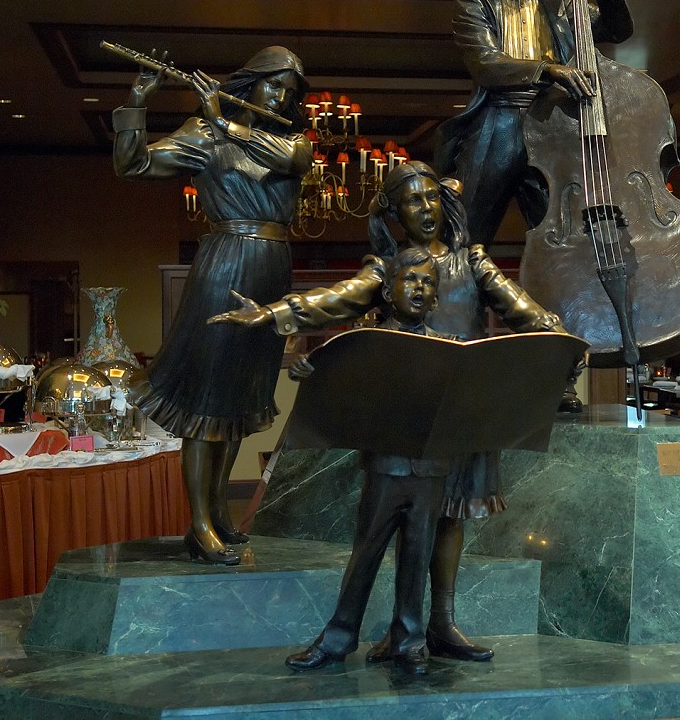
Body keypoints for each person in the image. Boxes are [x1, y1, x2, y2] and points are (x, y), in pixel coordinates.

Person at [211, 160, 562, 661]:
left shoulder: (472, 261)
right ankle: (404, 631)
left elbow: (521, 308)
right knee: (402, 521)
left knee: (451, 515)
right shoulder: (388, 268)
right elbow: (337, 299)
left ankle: (439, 625)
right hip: (407, 411)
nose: (425, 209)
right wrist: (275, 312)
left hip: (461, 406)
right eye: (413, 202)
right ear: (395, 213)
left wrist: (553, 333)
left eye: (431, 198)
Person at [112, 46, 311, 563]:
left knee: (240, 400)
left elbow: (290, 160)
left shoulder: (290, 141)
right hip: (226, 263)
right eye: (273, 86)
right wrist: (136, 101)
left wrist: (225, 121)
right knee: (208, 400)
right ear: (250, 84)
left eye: (289, 92)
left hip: (272, 267)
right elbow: (132, 165)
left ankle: (219, 512)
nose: (281, 97)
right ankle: (200, 524)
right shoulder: (203, 135)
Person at [282, 247, 454, 675]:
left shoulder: (450, 350)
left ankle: (409, 643)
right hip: (385, 468)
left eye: (428, 282)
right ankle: (338, 639)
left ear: (436, 298)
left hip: (431, 471)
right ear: (388, 290)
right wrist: (311, 371)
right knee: (365, 556)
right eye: (410, 279)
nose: (419, 288)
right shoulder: (363, 343)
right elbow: (338, 388)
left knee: (418, 558)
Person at [434, 0, 634, 248]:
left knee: (566, 242)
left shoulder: (557, 1)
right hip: (497, 128)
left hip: (550, 126)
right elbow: (485, 62)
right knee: (464, 239)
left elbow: (618, 30)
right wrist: (548, 70)